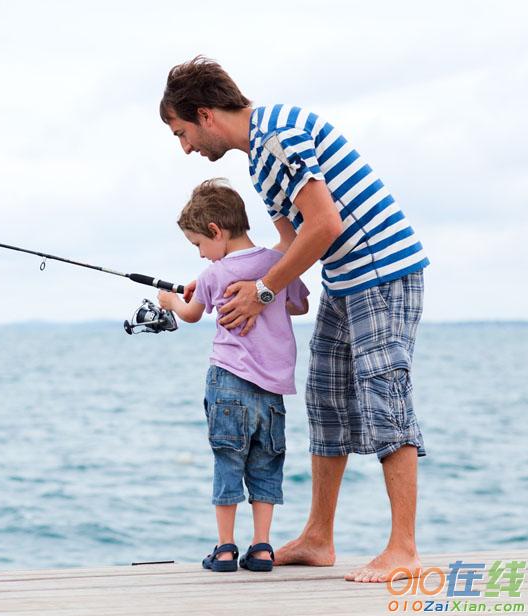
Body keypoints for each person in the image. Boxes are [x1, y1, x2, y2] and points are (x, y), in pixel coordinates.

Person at [158, 55, 430, 583]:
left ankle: (404, 549)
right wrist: (223, 276)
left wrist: (261, 291)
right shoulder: (260, 160)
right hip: (345, 281)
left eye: (182, 131)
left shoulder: (279, 133)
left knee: (384, 397)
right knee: (326, 399)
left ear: (206, 114)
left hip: (382, 272)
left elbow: (325, 224)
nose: (186, 146)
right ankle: (318, 538)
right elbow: (287, 245)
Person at [158, 178, 308, 573]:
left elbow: (191, 315)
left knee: (228, 462)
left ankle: (225, 549)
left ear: (215, 231)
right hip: (272, 390)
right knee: (265, 464)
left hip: (226, 382)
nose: (203, 255)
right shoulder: (278, 265)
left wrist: (169, 299)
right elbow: (300, 305)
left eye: (198, 245)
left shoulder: (214, 273)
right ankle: (261, 548)